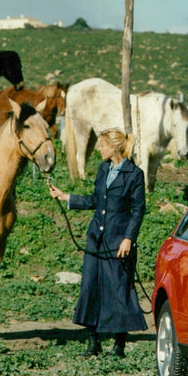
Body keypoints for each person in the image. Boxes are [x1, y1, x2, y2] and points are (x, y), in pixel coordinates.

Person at [49, 128, 147, 357]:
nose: (99, 149)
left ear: (113, 147)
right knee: (90, 288)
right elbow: (95, 200)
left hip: (118, 242)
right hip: (96, 239)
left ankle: (119, 346)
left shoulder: (134, 174)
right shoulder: (103, 169)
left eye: (102, 145)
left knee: (118, 289)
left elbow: (138, 209)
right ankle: (93, 343)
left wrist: (129, 238)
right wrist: (67, 197)